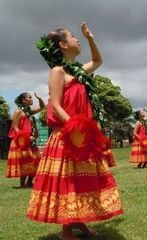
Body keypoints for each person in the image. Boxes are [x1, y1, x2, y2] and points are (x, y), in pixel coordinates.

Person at [27, 22, 123, 240]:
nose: (76, 39)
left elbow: (98, 61)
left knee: (82, 180)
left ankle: (79, 221)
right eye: (73, 37)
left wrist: (90, 39)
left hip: (82, 135)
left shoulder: (77, 71)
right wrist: (74, 126)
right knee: (68, 180)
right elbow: (55, 103)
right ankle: (66, 230)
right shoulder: (57, 71)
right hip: (66, 136)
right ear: (62, 45)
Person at [6, 92, 44, 188]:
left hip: (31, 141)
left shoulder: (29, 111)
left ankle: (29, 182)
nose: (32, 99)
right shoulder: (18, 112)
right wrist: (26, 138)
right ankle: (22, 184)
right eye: (29, 97)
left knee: (35, 161)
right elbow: (15, 128)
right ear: (23, 100)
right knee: (24, 162)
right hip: (21, 141)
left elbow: (42, 107)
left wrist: (39, 98)